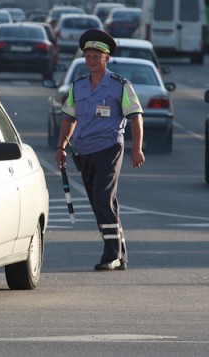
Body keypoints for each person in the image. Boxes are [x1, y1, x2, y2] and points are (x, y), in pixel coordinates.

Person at [54, 29, 145, 271]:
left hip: (109, 148)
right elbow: (68, 118)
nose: (91, 60)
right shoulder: (78, 86)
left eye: (96, 56)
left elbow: (136, 117)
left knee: (103, 199)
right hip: (83, 152)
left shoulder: (120, 86)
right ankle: (120, 251)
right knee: (101, 203)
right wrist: (61, 146)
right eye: (88, 56)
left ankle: (111, 255)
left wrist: (137, 148)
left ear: (106, 58)